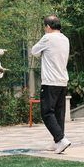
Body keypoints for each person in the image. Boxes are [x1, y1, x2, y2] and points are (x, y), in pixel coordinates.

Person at [31, 15, 71, 154]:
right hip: (62, 80)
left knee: (47, 112)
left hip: (50, 81)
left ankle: (61, 139)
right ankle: (57, 141)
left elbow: (34, 51)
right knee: (59, 112)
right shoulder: (66, 39)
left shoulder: (47, 38)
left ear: (48, 26)